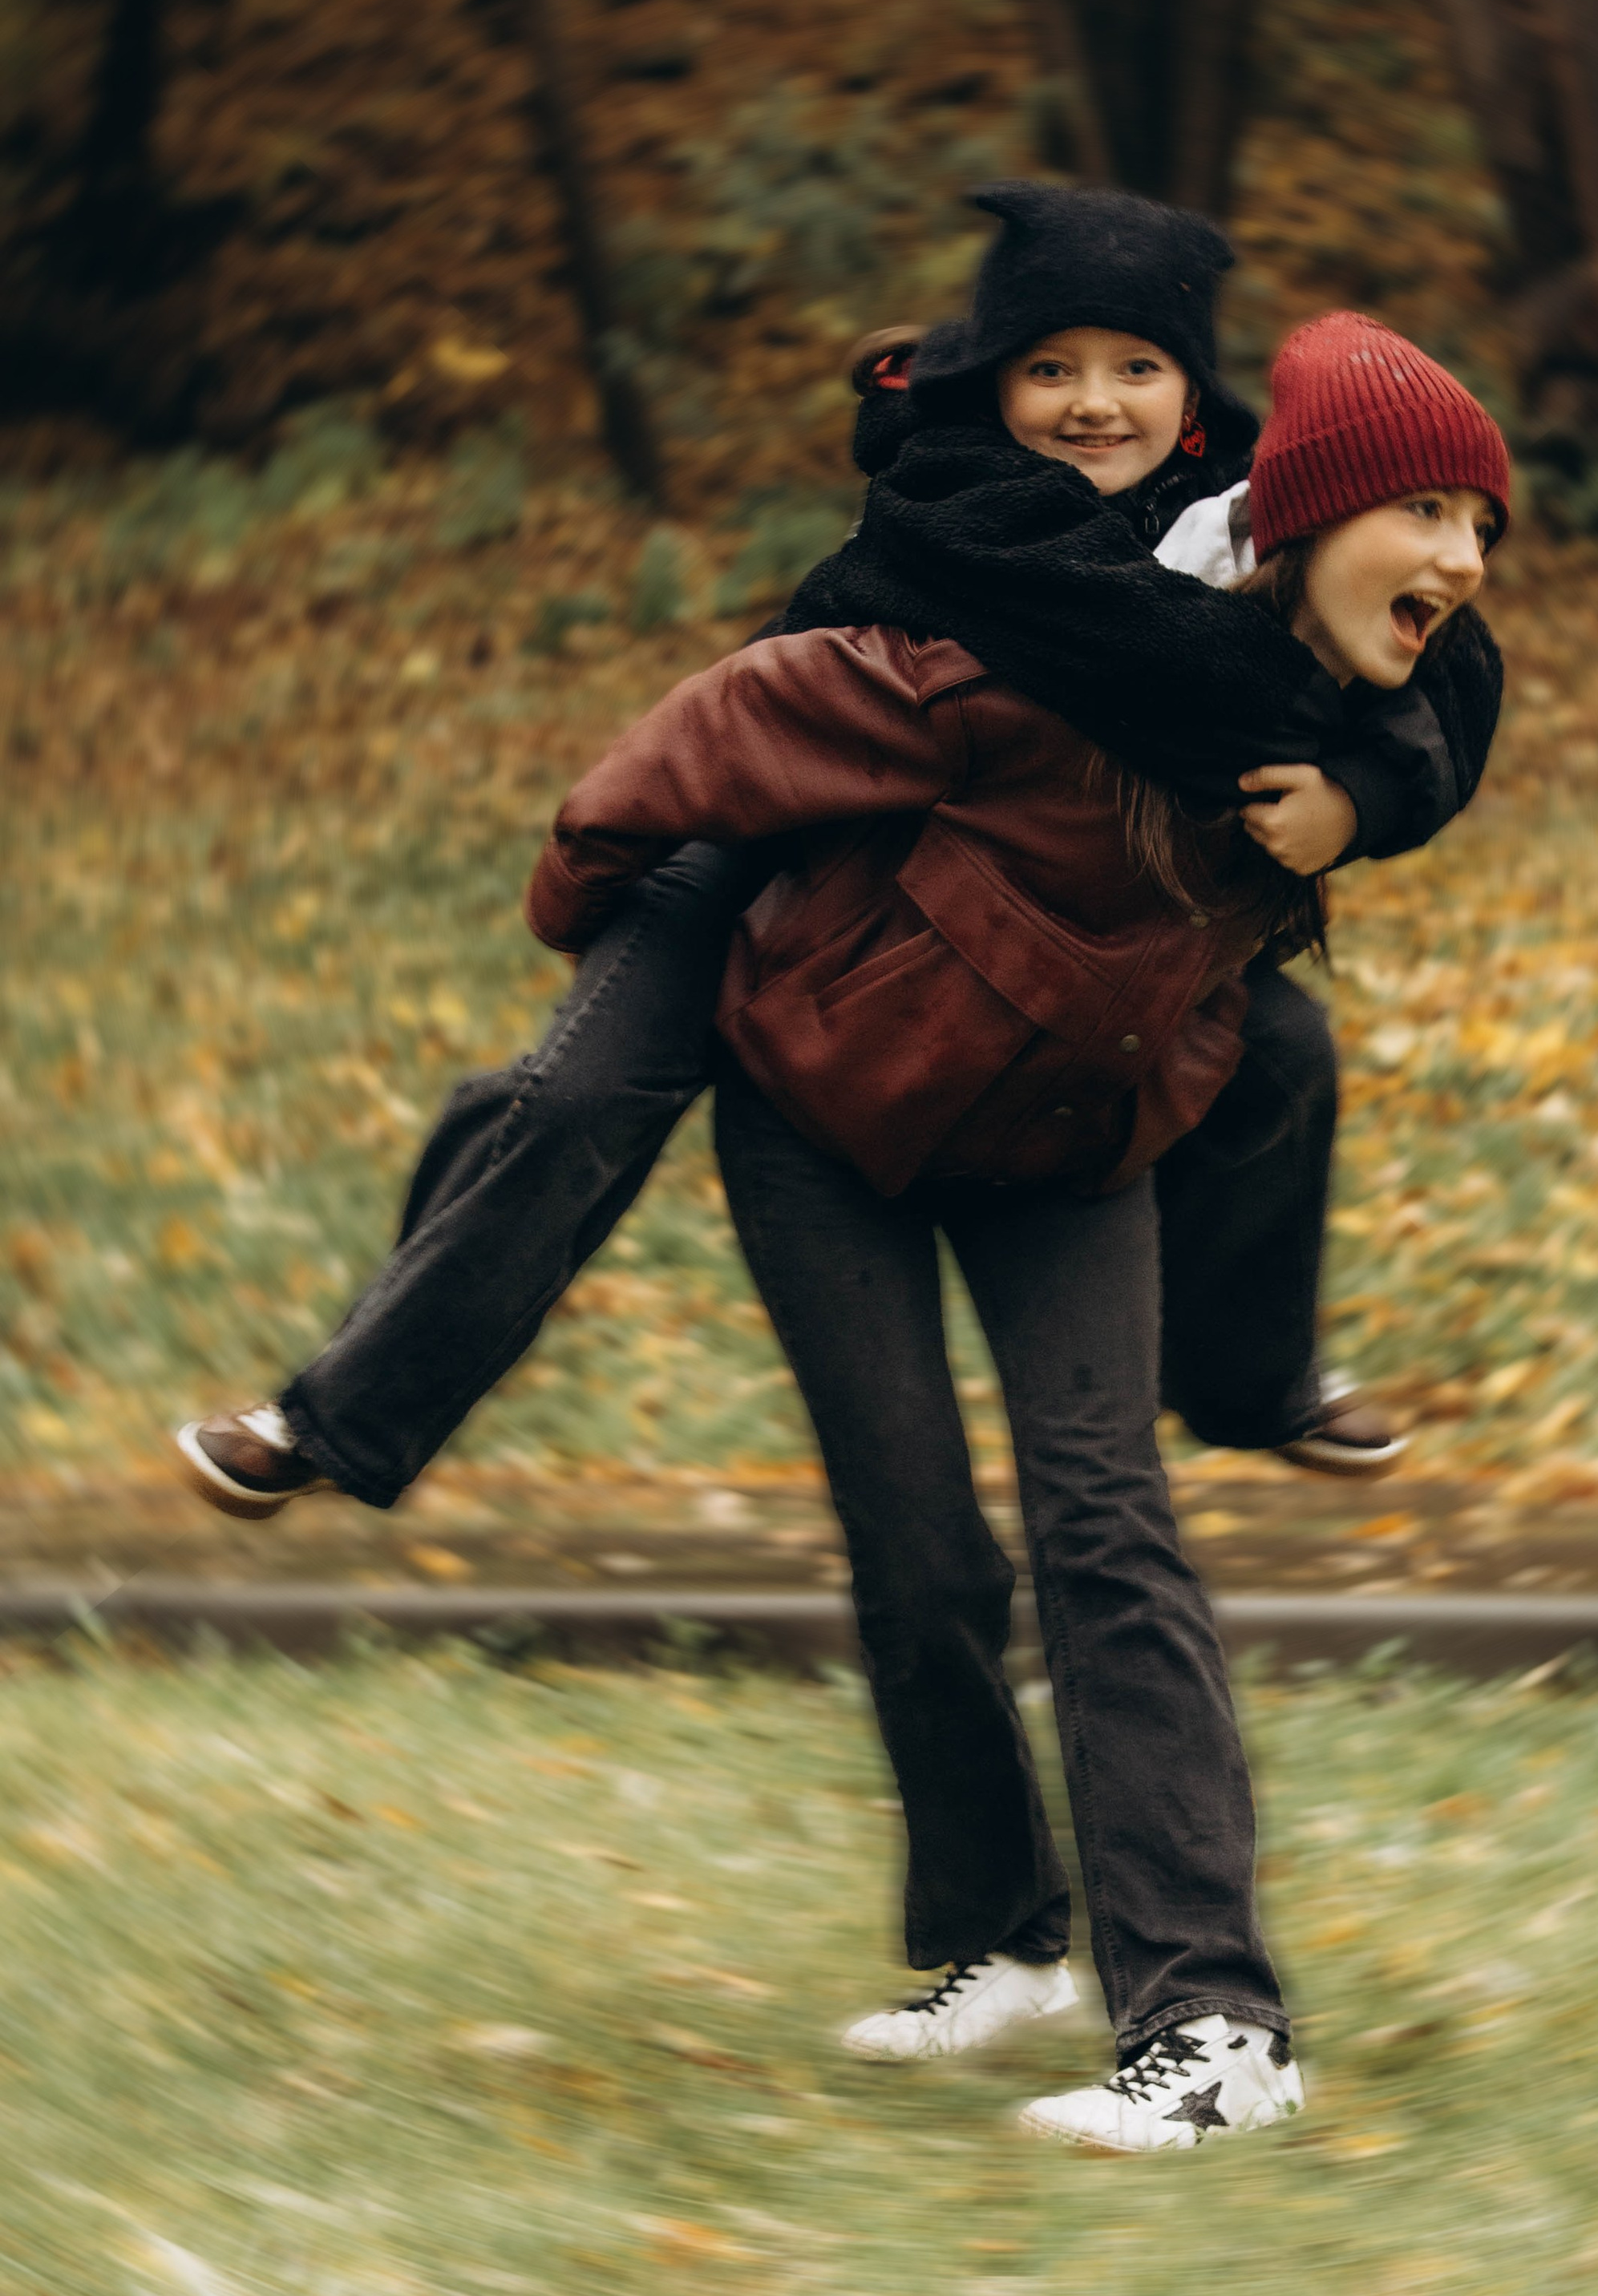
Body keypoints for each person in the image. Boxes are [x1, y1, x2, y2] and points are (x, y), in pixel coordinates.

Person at [492, 303, 1509, 2150]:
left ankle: (1213, 2030)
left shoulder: (1372, 687)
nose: (1456, 557)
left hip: (1064, 1133)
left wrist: (1360, 796)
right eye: (1424, 511)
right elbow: (755, 711)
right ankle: (1001, 1941)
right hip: (824, 1089)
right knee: (915, 1545)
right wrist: (592, 881)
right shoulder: (1059, 639)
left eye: (1478, 526)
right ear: (1304, 512)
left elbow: (1454, 709)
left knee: (1103, 1528)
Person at [174, 189, 1499, 1527]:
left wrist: (1362, 791)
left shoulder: (1215, 510)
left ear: (1191, 396)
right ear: (993, 386)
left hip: (940, 891)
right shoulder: (966, 496)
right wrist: (1300, 687)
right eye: (1051, 370)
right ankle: (330, 1414)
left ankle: (1255, 1385)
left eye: (1136, 369)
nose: (1095, 404)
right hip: (755, 843)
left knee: (1283, 1054)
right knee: (580, 1102)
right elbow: (1148, 648)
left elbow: (1455, 661)